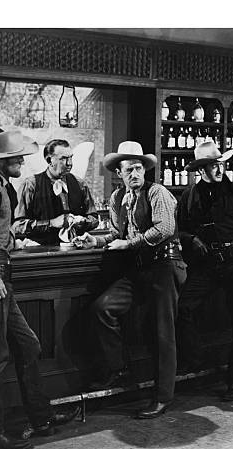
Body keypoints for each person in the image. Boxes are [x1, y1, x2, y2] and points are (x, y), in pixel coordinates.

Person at [0, 129, 79, 449]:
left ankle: (40, 416)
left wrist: (11, 243)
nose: (22, 160)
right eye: (18, 156)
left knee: (28, 345)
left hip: (2, 275)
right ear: (3, 160)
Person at [76, 141, 186, 419]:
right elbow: (115, 233)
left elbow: (165, 227)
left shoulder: (157, 192)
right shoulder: (117, 199)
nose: (135, 174)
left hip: (164, 264)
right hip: (139, 269)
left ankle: (163, 397)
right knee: (103, 308)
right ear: (119, 173)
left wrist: (130, 243)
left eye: (138, 168)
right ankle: (119, 368)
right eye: (129, 170)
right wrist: (93, 240)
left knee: (163, 333)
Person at [177, 141, 233, 402]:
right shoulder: (190, 195)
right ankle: (195, 358)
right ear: (201, 170)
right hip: (207, 265)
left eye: (220, 164)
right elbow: (180, 228)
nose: (219, 169)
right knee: (183, 307)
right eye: (212, 166)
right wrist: (191, 239)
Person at [12, 138, 98, 245]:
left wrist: (82, 222)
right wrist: (51, 223)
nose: (69, 163)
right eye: (63, 159)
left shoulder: (80, 184)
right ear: (49, 160)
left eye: (71, 158)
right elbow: (17, 226)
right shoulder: (31, 185)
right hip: (41, 253)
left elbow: (94, 219)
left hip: (75, 251)